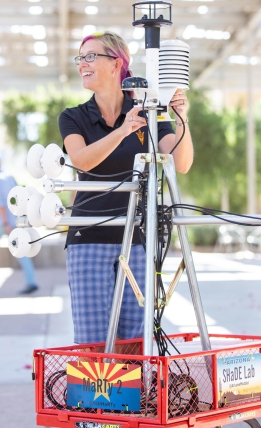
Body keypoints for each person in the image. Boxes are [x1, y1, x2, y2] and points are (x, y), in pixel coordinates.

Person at [58, 31, 193, 344]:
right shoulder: (73, 117)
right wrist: (122, 131)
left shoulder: (148, 112)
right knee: (93, 341)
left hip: (137, 239)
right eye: (81, 57)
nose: (83, 64)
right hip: (88, 237)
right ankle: (95, 395)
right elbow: (81, 161)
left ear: (116, 63)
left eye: (91, 56)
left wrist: (180, 116)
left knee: (136, 340)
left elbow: (180, 162)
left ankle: (137, 395)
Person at [0, 155, 38, 295]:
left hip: (0, 222)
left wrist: (5, 223)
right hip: (13, 220)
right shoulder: (10, 177)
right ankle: (31, 281)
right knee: (21, 250)